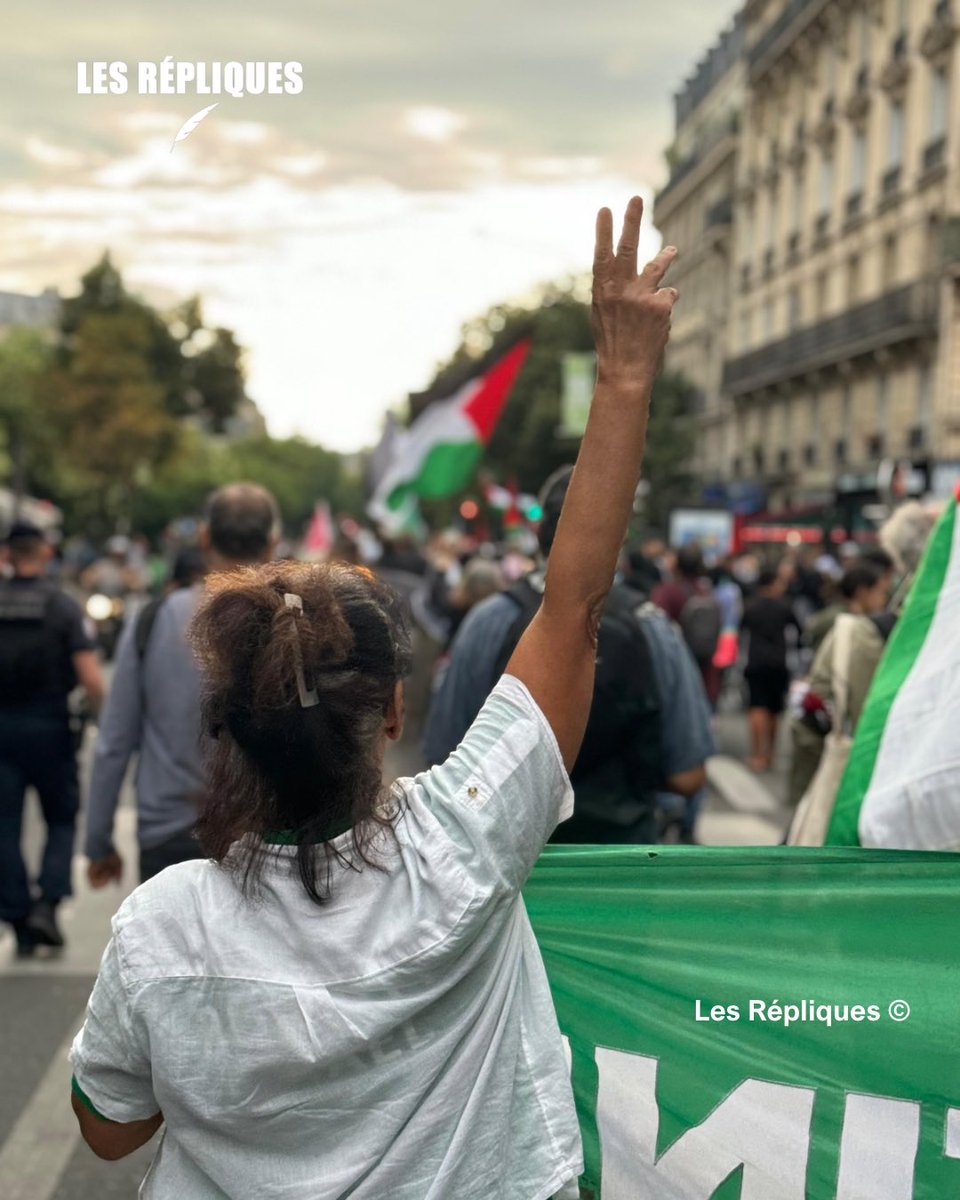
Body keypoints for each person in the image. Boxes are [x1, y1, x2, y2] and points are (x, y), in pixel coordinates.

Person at [68, 197, 679, 1195]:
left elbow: (107, 1132)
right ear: (391, 712)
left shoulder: (162, 926)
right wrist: (622, 377)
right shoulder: (469, 841)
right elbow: (572, 605)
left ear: (223, 727)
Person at [423, 466, 713, 846]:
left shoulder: (491, 621)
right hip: (621, 866)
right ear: (619, 537)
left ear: (539, 532)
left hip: (509, 870)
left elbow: (442, 756)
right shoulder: (652, 627)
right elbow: (688, 773)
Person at [84, 483, 279, 887]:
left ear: (204, 537)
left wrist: (98, 841)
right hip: (267, 843)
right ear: (272, 543)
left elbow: (115, 741)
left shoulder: (152, 620)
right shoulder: (291, 624)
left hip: (167, 839)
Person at [0, 521, 104, 956]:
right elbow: (91, 679)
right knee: (61, 819)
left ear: (6, 555)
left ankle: (19, 918)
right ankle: (49, 901)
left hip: (1, 731)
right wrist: (98, 718)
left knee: (4, 827)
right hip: (50, 729)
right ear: (44, 553)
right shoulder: (62, 607)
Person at [788, 561, 894, 805]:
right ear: (862, 591)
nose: (884, 599)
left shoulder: (839, 618)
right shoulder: (851, 626)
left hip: (818, 721)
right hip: (824, 725)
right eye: (881, 591)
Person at [740, 565, 801, 772]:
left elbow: (741, 631)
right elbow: (799, 632)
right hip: (779, 662)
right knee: (775, 711)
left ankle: (757, 754)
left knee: (757, 708)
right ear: (773, 583)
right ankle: (770, 753)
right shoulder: (785, 606)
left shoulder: (750, 606)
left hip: (754, 661)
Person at [652, 543, 723, 704]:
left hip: (677, 672)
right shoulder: (706, 591)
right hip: (706, 672)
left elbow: (657, 627)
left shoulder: (668, 591)